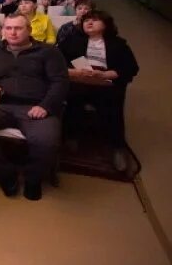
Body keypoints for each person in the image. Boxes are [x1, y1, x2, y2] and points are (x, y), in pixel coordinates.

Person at [0, 14, 69, 202]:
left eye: (18, 28)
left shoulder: (48, 52)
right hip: (2, 104)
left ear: (29, 30)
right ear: (3, 30)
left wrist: (45, 106)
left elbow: (60, 83)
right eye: (8, 28)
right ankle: (5, 173)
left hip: (36, 106)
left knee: (47, 140)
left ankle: (33, 179)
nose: (12, 32)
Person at [58, 10, 139, 171]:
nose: (89, 22)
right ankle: (70, 137)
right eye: (86, 20)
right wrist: (75, 73)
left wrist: (105, 74)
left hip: (105, 84)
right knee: (72, 99)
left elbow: (130, 68)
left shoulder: (118, 44)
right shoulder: (71, 41)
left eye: (94, 20)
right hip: (78, 82)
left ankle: (117, 146)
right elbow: (57, 63)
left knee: (112, 107)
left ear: (106, 24)